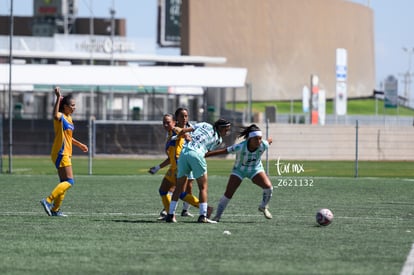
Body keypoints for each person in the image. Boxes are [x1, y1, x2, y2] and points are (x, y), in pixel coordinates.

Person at [166, 118, 232, 223]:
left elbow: (183, 131)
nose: (227, 132)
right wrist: (222, 151)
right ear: (220, 128)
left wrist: (176, 137)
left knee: (179, 187)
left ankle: (170, 215)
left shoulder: (204, 124)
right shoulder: (218, 140)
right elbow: (205, 153)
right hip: (196, 154)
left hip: (184, 153)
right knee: (203, 187)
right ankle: (203, 216)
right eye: (226, 129)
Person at [204, 124, 273, 222]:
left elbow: (269, 141)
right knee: (228, 193)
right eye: (256, 139)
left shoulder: (263, 145)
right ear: (249, 139)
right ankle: (217, 216)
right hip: (239, 170)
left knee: (269, 188)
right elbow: (223, 151)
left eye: (260, 139)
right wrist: (206, 155)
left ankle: (263, 207)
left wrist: (270, 140)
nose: (259, 141)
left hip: (255, 169)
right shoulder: (240, 147)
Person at [40, 87, 88, 217]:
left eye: (75, 105)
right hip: (61, 152)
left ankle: (55, 210)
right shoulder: (61, 116)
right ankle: (48, 200)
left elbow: (68, 137)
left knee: (64, 181)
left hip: (64, 152)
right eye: (72, 105)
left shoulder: (69, 118)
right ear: (65, 107)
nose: (74, 107)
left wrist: (80, 145)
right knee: (70, 181)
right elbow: (55, 115)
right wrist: (57, 98)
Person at [148, 109, 199, 220]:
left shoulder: (175, 129)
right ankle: (169, 213)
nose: (166, 124)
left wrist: (187, 136)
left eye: (168, 122)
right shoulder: (170, 133)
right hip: (174, 167)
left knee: (180, 193)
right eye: (164, 123)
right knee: (164, 190)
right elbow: (170, 158)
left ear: (174, 122)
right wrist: (157, 168)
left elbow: (182, 133)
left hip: (180, 167)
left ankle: (204, 208)